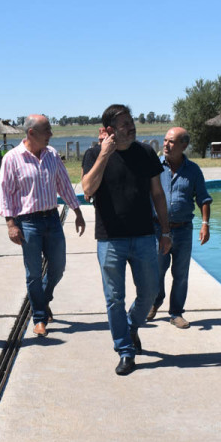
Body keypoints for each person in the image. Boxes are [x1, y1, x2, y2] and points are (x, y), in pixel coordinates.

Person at [81, 104, 171, 376]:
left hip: (144, 236)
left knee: (150, 292)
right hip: (110, 240)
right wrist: (104, 154)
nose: (132, 128)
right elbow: (87, 189)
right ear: (110, 130)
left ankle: (131, 328)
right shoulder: (94, 154)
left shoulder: (145, 153)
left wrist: (165, 231)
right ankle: (125, 350)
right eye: (125, 125)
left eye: (132, 123)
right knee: (114, 298)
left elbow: (157, 194)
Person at [0, 114, 85, 337]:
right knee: (34, 273)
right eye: (47, 130)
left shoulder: (52, 154)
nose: (51, 134)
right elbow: (5, 194)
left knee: (58, 267)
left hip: (52, 219)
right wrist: (11, 224)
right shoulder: (12, 158)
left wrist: (77, 211)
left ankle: (44, 300)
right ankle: (39, 318)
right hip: (28, 223)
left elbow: (64, 184)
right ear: (31, 133)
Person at [148, 127, 212, 329]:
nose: (166, 145)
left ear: (184, 145)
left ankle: (176, 313)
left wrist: (205, 224)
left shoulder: (193, 170)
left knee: (181, 274)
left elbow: (203, 198)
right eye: (165, 140)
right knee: (157, 271)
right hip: (158, 230)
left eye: (171, 141)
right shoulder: (154, 167)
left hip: (183, 230)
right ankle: (155, 302)